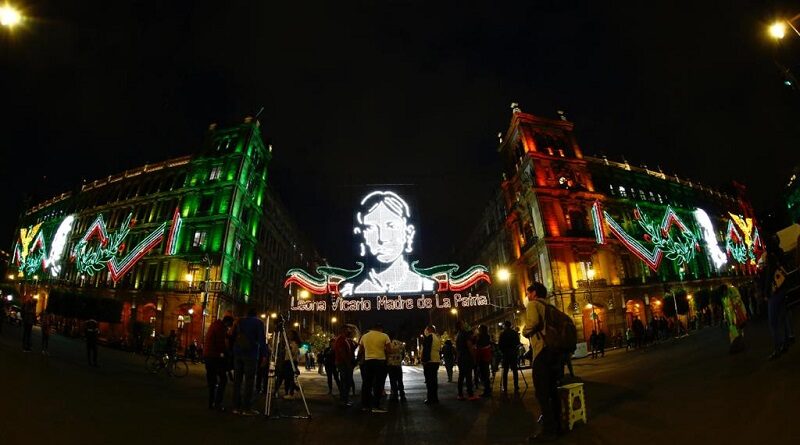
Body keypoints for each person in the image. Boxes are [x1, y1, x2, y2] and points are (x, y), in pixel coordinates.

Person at [340, 191, 436, 296]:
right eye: (371, 227)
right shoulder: (351, 291)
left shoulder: (427, 286)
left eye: (391, 226)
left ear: (408, 232)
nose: (382, 238)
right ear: (361, 235)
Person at [523, 282, 562, 443]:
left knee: (542, 393)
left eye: (528, 292)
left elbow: (532, 324)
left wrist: (524, 331)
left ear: (534, 293)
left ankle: (548, 430)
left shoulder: (533, 305)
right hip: (554, 351)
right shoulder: (550, 306)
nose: (527, 296)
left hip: (541, 352)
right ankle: (558, 425)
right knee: (553, 390)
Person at [230, 307, 268, 416]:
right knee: (249, 381)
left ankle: (236, 407)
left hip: (238, 353)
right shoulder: (258, 323)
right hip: (250, 354)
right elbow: (261, 339)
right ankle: (246, 408)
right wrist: (264, 355)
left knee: (237, 381)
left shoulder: (239, 321)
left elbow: (232, 335)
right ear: (256, 314)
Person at [358, 323, 391, 413]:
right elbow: (389, 350)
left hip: (368, 362)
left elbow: (361, 350)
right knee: (379, 384)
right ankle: (376, 406)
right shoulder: (384, 336)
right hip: (380, 362)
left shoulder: (364, 336)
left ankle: (365, 405)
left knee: (366, 384)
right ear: (380, 329)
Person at [204, 315, 233, 411]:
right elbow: (221, 344)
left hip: (208, 355)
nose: (228, 328)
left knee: (212, 381)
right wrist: (226, 353)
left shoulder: (215, 325)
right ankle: (217, 403)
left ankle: (211, 403)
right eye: (229, 326)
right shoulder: (220, 328)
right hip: (214, 356)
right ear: (227, 323)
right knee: (223, 380)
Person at [455, 320, 478, 401]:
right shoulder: (465, 334)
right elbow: (469, 345)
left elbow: (457, 348)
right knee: (468, 376)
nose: (465, 324)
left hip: (460, 357)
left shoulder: (457, 335)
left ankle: (460, 394)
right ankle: (470, 394)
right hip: (466, 357)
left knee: (461, 377)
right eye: (463, 323)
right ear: (461, 325)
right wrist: (473, 356)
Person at [334, 325, 357, 407]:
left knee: (346, 382)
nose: (350, 331)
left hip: (344, 363)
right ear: (343, 331)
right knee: (345, 382)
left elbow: (351, 349)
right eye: (348, 330)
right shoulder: (340, 340)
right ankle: (344, 400)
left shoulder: (346, 340)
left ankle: (345, 399)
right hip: (343, 364)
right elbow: (342, 353)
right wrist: (348, 364)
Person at [498, 320, 520, 393]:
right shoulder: (514, 333)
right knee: (515, 371)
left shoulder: (502, 334)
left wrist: (503, 351)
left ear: (505, 325)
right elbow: (517, 343)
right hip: (513, 353)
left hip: (506, 354)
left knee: (505, 371)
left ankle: (505, 387)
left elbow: (500, 345)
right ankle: (516, 386)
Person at [422, 325, 441, 404]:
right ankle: (435, 398)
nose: (425, 331)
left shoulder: (429, 337)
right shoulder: (437, 338)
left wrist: (424, 361)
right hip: (436, 360)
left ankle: (430, 399)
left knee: (429, 381)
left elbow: (427, 349)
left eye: (426, 330)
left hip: (430, 361)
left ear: (429, 330)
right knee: (434, 380)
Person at [386, 333, 406, 402]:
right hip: (398, 364)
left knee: (393, 380)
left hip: (391, 364)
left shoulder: (388, 344)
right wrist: (400, 360)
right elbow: (403, 354)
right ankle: (402, 394)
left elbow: (386, 353)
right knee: (400, 380)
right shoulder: (400, 344)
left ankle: (395, 395)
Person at [475, 324, 493, 397]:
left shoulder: (480, 338)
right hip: (486, 357)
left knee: (483, 375)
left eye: (479, 329)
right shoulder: (487, 337)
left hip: (482, 358)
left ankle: (487, 390)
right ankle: (487, 389)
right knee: (486, 374)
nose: (478, 330)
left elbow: (479, 348)